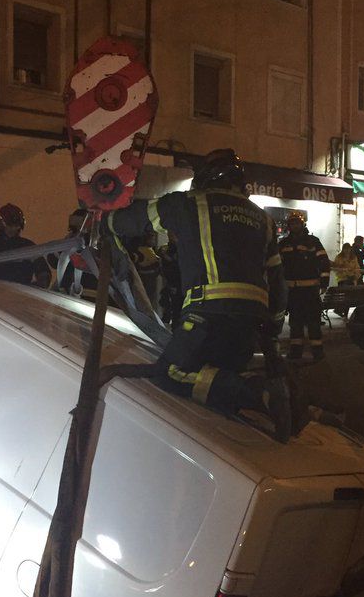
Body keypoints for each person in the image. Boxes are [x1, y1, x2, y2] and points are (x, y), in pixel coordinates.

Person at [105, 148, 294, 440]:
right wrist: (272, 328)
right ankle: (248, 418)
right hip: (249, 323)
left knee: (171, 373)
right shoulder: (263, 220)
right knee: (214, 380)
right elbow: (278, 283)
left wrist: (103, 219)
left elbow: (131, 221)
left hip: (207, 314)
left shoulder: (189, 204)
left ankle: (259, 394)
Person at [278, 210, 331, 361]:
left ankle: (318, 351)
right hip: (292, 292)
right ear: (289, 226)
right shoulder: (283, 244)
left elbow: (324, 262)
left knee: (313, 322)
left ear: (302, 224)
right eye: (292, 223)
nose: (294, 226)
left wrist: (324, 283)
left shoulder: (313, 242)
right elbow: (277, 267)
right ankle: (296, 351)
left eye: (297, 223)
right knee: (295, 323)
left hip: (310, 291)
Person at [0, 203, 48, 286]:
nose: (13, 229)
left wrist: (34, 288)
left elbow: (43, 272)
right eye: (10, 225)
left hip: (21, 296)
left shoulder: (28, 247)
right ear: (2, 225)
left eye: (16, 225)